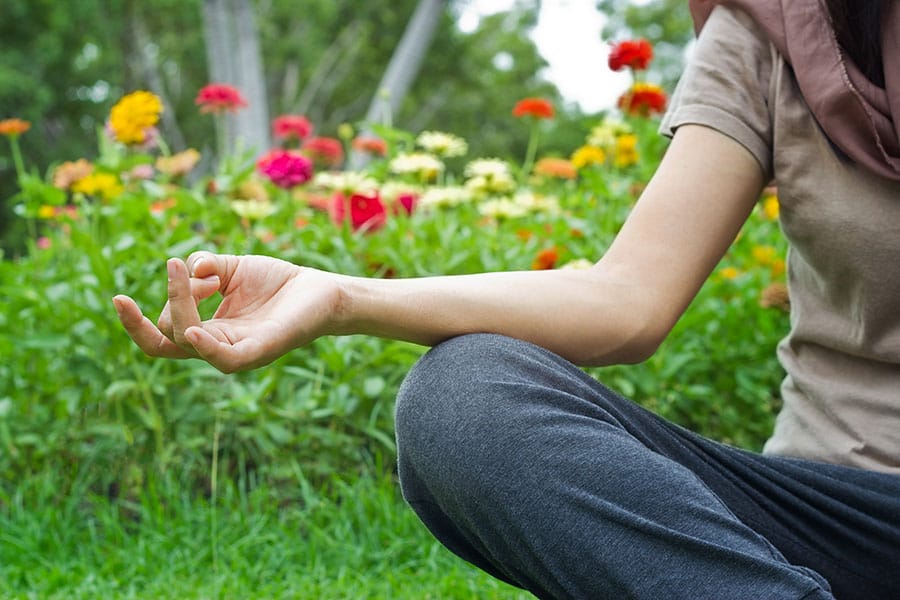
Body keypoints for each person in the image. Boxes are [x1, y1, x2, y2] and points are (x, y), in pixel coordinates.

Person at [113, 0, 900, 597]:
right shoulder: (773, 29)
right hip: (824, 512)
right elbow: (627, 297)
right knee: (463, 398)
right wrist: (337, 297)